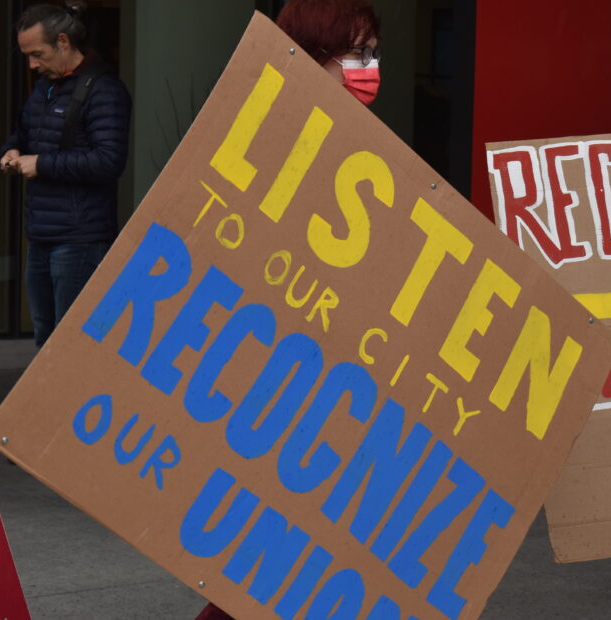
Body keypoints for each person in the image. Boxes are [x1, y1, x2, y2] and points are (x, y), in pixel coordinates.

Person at [196, 4, 381, 618]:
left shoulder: (373, 153)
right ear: (303, 52)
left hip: (335, 384)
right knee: (262, 552)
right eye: (352, 54)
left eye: (373, 52)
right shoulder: (266, 136)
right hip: (274, 378)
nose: (368, 69)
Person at [0, 2, 132, 348]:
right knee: (45, 337)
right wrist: (11, 151)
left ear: (63, 41)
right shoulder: (44, 88)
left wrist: (40, 164)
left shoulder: (104, 90)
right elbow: (23, 134)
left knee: (68, 345)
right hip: (41, 234)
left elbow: (108, 161)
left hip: (80, 238)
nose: (31, 64)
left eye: (37, 54)